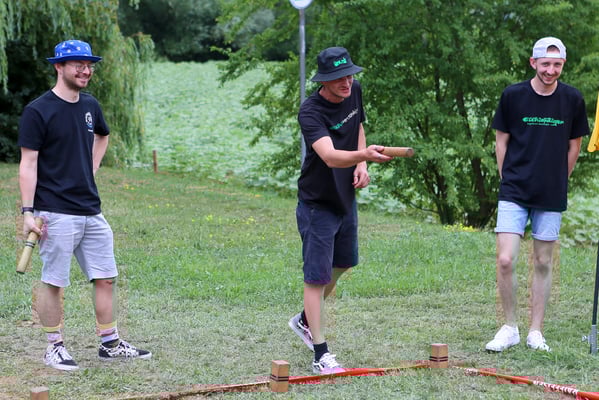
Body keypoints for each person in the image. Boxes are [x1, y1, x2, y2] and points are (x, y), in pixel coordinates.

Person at [18, 39, 151, 371]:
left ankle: (110, 344)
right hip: (54, 212)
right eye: (78, 64)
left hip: (91, 209)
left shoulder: (90, 105)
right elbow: (28, 163)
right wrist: (28, 212)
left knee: (105, 278)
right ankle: (54, 347)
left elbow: (103, 135)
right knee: (55, 282)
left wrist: (91, 167)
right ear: (59, 67)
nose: (86, 70)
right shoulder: (38, 110)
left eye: (89, 65)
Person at [288, 47, 394, 373]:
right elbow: (331, 156)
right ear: (324, 80)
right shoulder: (310, 112)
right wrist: (366, 155)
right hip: (317, 203)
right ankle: (320, 354)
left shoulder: (354, 91)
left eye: (349, 75)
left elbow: (358, 126)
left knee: (345, 262)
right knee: (316, 278)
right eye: (338, 78)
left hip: (345, 197)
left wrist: (361, 163)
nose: (346, 82)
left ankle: (305, 319)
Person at [485, 37, 589, 353]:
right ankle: (510, 328)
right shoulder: (513, 95)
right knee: (505, 259)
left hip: (551, 192)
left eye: (557, 65)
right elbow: (501, 140)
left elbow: (574, 146)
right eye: (545, 64)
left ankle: (535, 331)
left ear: (563, 65)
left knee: (543, 261)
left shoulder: (572, 99)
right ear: (533, 63)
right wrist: (506, 177)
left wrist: (559, 179)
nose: (550, 70)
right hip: (514, 189)